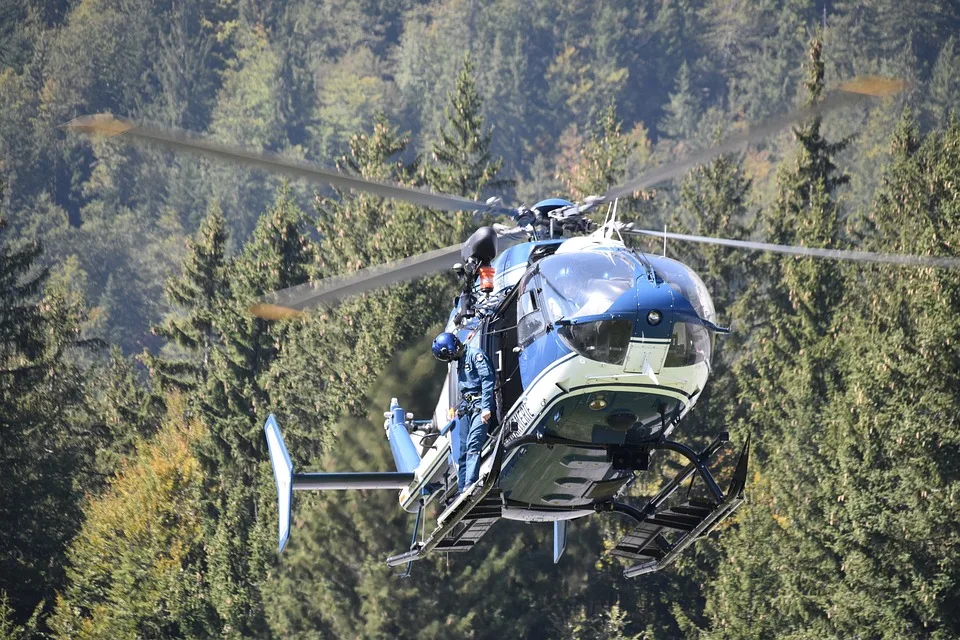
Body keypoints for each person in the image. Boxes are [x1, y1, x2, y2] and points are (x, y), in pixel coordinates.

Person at [432, 331, 495, 492]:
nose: (449, 360)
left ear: (450, 349)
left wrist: (486, 407)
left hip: (480, 405)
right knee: (463, 450)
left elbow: (487, 380)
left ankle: (470, 484)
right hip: (467, 409)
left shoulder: (475, 355)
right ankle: (462, 489)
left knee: (474, 444)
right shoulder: (460, 362)